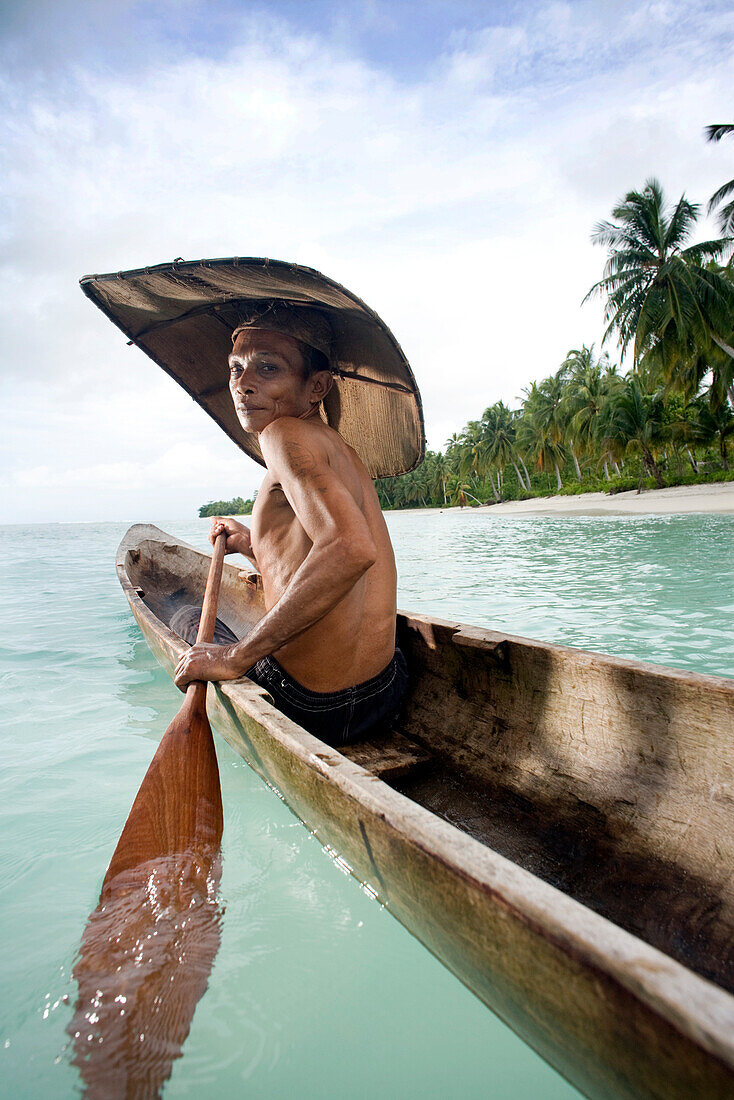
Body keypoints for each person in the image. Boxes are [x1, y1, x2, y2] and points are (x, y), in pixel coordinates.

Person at [173, 307, 408, 746]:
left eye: (267, 368)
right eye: (236, 369)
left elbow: (351, 548)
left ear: (316, 386)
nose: (243, 384)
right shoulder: (339, 448)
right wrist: (250, 544)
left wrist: (234, 657)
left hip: (312, 706)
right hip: (385, 693)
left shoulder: (282, 434)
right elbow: (321, 546)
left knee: (186, 614)